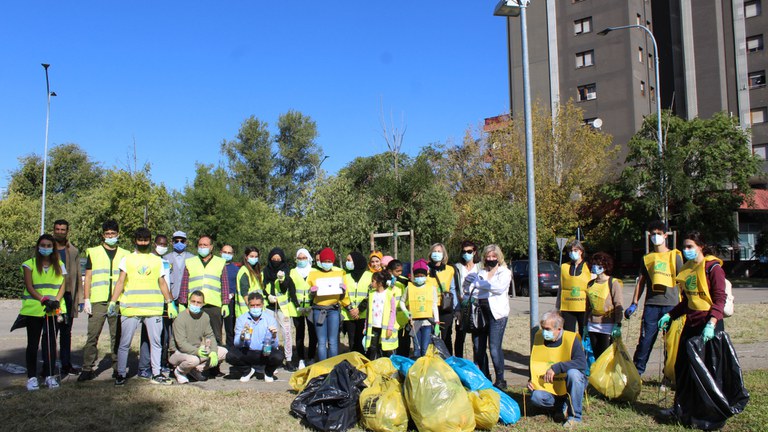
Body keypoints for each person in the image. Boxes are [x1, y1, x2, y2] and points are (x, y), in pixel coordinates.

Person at [658, 231, 727, 420]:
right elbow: (687, 301)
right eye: (684, 246)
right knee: (682, 367)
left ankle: (707, 412)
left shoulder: (713, 268)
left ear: (701, 247)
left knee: (705, 372)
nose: (686, 250)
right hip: (691, 324)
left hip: (708, 327)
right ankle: (680, 409)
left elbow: (720, 299)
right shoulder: (687, 269)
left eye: (690, 246)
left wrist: (712, 323)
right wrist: (670, 315)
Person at [109, 227, 177, 385]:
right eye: (140, 240)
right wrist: (113, 300)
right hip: (130, 309)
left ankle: (156, 373)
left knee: (156, 343)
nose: (143, 242)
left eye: (145, 240)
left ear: (150, 241)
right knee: (124, 343)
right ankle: (120, 374)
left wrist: (170, 303)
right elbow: (120, 282)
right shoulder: (127, 259)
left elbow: (162, 283)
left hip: (153, 309)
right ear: (135, 241)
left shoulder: (157, 261)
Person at [627, 221, 683, 375]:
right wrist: (634, 303)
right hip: (651, 305)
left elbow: (682, 281)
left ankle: (669, 375)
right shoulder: (647, 258)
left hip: (671, 305)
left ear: (666, 235)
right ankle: (636, 374)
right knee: (645, 342)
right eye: (653, 234)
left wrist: (684, 304)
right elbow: (641, 281)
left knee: (670, 344)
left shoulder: (674, 256)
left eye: (659, 233)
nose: (656, 237)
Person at [78, 219, 130, 381]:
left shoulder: (125, 254)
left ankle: (117, 367)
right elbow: (88, 276)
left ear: (118, 234)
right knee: (92, 336)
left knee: (117, 336)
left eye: (113, 234)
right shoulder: (93, 252)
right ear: (103, 235)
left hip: (117, 300)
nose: (110, 236)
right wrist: (86, 298)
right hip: (98, 300)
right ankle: (87, 368)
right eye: (107, 234)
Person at [20, 234, 67, 390]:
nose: (45, 248)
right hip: (34, 310)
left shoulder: (59, 264)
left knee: (50, 345)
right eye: (43, 245)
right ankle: (32, 377)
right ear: (38, 247)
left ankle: (49, 375)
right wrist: (44, 300)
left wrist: (56, 301)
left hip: (53, 310)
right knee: (32, 345)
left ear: (53, 248)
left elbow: (62, 286)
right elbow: (29, 286)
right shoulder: (29, 264)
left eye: (49, 246)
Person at [528, 310, 587, 429]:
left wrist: (557, 367)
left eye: (548, 329)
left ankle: (575, 417)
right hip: (550, 387)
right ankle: (561, 406)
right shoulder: (538, 338)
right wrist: (531, 380)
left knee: (574, 374)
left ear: (559, 329)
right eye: (543, 328)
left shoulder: (571, 339)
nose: (544, 332)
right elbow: (535, 363)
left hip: (569, 384)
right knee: (536, 397)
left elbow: (582, 363)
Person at [463, 244, 511, 389]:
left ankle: (500, 379)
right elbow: (471, 289)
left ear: (499, 257)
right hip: (480, 312)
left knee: (494, 348)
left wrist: (481, 284)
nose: (491, 259)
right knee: (478, 347)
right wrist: (476, 283)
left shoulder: (504, 272)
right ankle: (484, 377)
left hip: (497, 314)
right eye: (488, 256)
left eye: (494, 256)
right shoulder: (482, 272)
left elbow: (498, 288)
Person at [178, 235, 231, 348]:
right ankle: (194, 359)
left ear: (211, 247)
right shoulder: (190, 262)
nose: (202, 247)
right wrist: (182, 302)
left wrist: (225, 303)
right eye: (200, 245)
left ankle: (215, 360)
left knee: (215, 335)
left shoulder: (220, 262)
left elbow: (225, 284)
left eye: (205, 245)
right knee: (191, 334)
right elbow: (184, 284)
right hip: (194, 304)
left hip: (213, 305)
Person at [169, 290, 228, 384]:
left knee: (222, 352)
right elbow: (181, 344)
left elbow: (210, 335)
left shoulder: (205, 316)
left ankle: (194, 370)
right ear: (189, 301)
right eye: (193, 301)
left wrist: (213, 351)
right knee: (193, 360)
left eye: (198, 302)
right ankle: (179, 371)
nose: (195, 304)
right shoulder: (180, 318)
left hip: (196, 350)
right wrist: (197, 351)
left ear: (203, 304)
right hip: (178, 352)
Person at [307, 247, 353, 361]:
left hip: (333, 310)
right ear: (320, 261)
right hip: (319, 310)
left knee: (333, 341)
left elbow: (343, 296)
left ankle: (333, 367)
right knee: (322, 342)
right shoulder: (313, 274)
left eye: (329, 261)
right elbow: (309, 295)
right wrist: (312, 292)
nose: (326, 264)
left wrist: (343, 291)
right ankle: (323, 367)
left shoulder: (339, 274)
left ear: (332, 261)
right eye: (324, 261)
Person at [138, 234, 173, 378]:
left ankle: (159, 364)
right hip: (151, 303)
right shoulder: (148, 260)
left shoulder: (165, 261)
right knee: (148, 337)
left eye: (165, 245)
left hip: (164, 303)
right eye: (160, 244)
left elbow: (166, 282)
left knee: (162, 337)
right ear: (154, 244)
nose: (162, 247)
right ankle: (144, 367)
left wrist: (170, 301)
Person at [227, 292, 283, 382]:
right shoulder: (241, 319)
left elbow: (274, 345)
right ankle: (247, 370)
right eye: (252, 305)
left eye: (258, 305)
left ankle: (268, 372)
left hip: (264, 352)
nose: (255, 308)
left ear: (262, 305)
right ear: (248, 305)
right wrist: (242, 336)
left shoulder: (270, 319)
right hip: (248, 352)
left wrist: (274, 336)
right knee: (230, 355)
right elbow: (236, 344)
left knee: (279, 356)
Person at [53, 219, 82, 376]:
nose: (60, 232)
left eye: (63, 229)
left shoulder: (73, 251)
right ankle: (48, 365)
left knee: (66, 333)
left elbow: (78, 275)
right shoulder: (47, 248)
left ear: (67, 231)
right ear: (53, 230)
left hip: (68, 295)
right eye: (57, 229)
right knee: (50, 333)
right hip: (51, 296)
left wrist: (81, 299)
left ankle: (66, 364)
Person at [263, 248, 299, 372]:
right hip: (269, 307)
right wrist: (267, 296)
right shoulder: (265, 272)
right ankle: (272, 359)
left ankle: (288, 359)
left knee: (287, 334)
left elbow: (286, 288)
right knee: (270, 334)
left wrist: (282, 279)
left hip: (283, 308)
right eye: (274, 259)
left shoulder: (286, 271)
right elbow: (262, 287)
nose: (276, 261)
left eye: (279, 259)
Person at [585, 252, 624, 359]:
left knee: (606, 357)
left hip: (607, 325)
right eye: (593, 264)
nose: (595, 267)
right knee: (596, 356)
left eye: (598, 264)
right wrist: (585, 325)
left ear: (605, 266)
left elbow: (618, 304)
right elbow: (587, 307)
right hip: (592, 325)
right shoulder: (590, 284)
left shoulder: (613, 282)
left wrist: (618, 324)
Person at [400, 259, 439, 358]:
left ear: (426, 275)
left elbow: (434, 305)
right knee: (416, 349)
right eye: (417, 276)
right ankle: (417, 368)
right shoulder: (409, 288)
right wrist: (406, 312)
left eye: (422, 276)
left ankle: (425, 368)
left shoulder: (431, 288)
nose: (419, 278)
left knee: (425, 348)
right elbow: (401, 301)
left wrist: (437, 322)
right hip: (415, 323)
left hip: (427, 322)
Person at [427, 243, 458, 355]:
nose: (437, 254)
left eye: (439, 251)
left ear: (444, 254)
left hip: (445, 306)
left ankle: (448, 360)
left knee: (446, 336)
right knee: (431, 336)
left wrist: (456, 308)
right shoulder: (425, 269)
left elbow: (453, 288)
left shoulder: (450, 270)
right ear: (431, 253)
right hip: (430, 307)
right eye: (435, 251)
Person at [557, 240, 592, 334]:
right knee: (568, 333)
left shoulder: (589, 266)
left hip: (583, 307)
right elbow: (561, 288)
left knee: (584, 332)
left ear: (581, 251)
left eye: (575, 250)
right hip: (567, 307)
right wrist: (558, 306)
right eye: (571, 250)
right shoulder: (564, 267)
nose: (573, 252)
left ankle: (583, 349)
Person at [453, 240, 480, 358]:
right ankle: (459, 364)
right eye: (464, 251)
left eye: (469, 251)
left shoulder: (481, 267)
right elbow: (454, 288)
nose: (466, 254)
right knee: (459, 338)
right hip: (462, 306)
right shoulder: (458, 268)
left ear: (474, 252)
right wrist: (457, 309)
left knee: (477, 340)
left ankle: (479, 365)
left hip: (477, 307)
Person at [364, 270, 399, 360]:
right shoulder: (371, 294)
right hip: (374, 327)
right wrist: (366, 327)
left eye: (373, 281)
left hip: (385, 327)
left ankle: (389, 368)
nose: (371, 283)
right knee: (373, 348)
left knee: (387, 349)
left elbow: (392, 312)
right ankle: (373, 367)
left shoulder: (389, 294)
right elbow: (368, 313)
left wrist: (390, 328)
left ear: (379, 283)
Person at [291, 248, 317, 368]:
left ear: (308, 258)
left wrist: (312, 303)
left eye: (304, 258)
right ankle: (301, 358)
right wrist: (296, 305)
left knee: (313, 333)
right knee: (299, 333)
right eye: (299, 258)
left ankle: (311, 357)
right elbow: (291, 290)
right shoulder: (292, 272)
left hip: (311, 307)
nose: (301, 260)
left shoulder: (314, 271)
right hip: (297, 308)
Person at [342, 251, 370, 354]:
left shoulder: (369, 276)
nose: (347, 262)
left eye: (349, 260)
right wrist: (351, 310)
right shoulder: (345, 276)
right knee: (352, 341)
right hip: (349, 315)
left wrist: (359, 309)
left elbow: (370, 294)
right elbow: (342, 295)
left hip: (364, 315)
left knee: (363, 341)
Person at [388, 259, 411, 357]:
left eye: (401, 271)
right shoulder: (384, 281)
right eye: (397, 271)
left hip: (402, 319)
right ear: (390, 271)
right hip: (390, 320)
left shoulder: (403, 281)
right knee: (392, 344)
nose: (400, 273)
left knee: (404, 344)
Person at [165, 230, 195, 303]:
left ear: (186, 242)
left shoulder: (192, 258)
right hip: (171, 297)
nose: (179, 243)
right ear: (172, 242)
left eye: (182, 241)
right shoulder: (166, 258)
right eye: (176, 241)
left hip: (187, 298)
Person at [235, 246, 264, 317]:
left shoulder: (257, 272)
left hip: (256, 309)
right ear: (246, 257)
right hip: (247, 310)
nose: (254, 258)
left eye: (256, 256)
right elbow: (244, 293)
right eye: (251, 256)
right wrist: (253, 307)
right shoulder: (244, 271)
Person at [221, 243, 240, 348]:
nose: (227, 254)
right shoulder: (216, 266)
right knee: (216, 327)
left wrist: (232, 294)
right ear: (220, 253)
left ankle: (230, 348)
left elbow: (238, 287)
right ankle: (217, 347)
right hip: (216, 301)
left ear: (232, 255)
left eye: (229, 253)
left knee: (230, 327)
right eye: (225, 252)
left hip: (230, 302)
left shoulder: (236, 269)